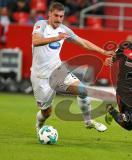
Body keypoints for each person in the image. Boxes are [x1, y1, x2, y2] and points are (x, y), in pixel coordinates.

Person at [31, 2, 115, 134]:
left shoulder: (64, 30)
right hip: (40, 76)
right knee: (46, 112)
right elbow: (36, 41)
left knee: (82, 90)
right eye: (56, 16)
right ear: (49, 14)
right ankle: (39, 126)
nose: (59, 19)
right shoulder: (40, 25)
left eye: (61, 16)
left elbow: (83, 43)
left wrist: (103, 52)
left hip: (57, 71)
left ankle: (88, 121)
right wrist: (56, 38)